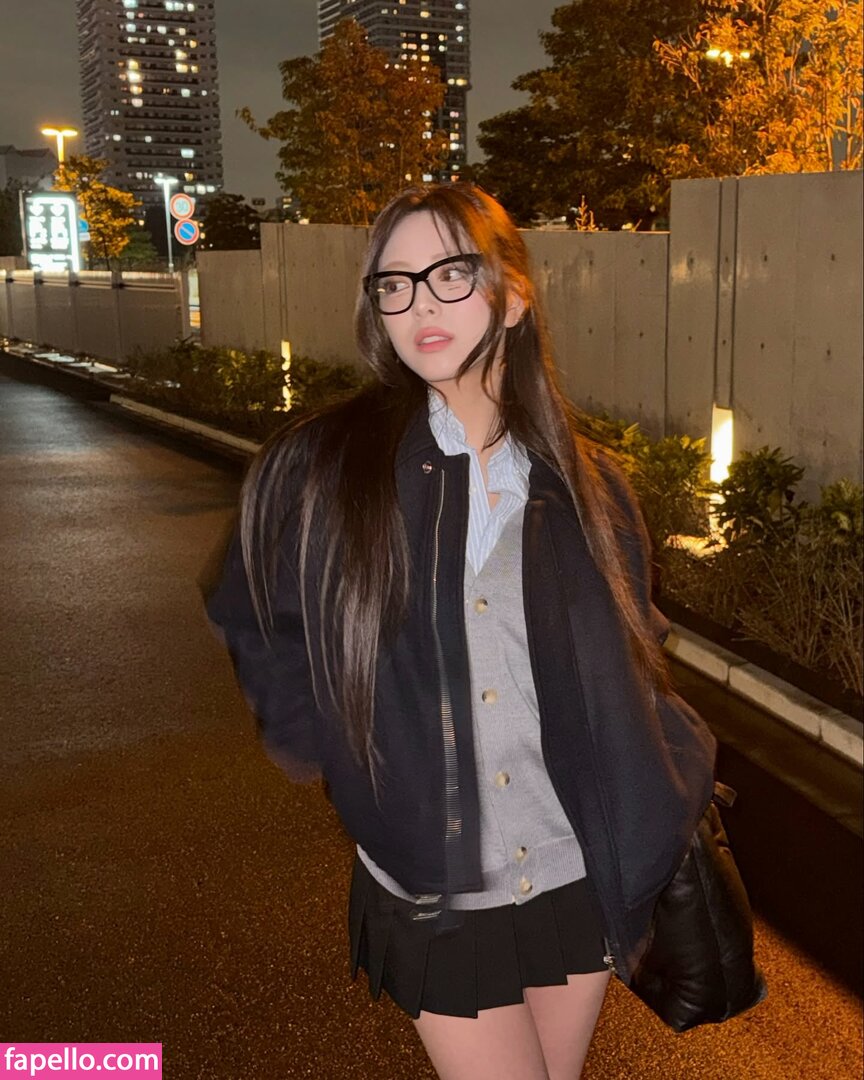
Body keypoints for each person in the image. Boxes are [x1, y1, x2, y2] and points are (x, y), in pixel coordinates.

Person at [205, 183, 716, 1080]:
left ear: (512, 297)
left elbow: (638, 647)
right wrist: (345, 754)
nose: (419, 303)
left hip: (572, 862)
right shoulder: (326, 465)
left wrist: (664, 777)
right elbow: (248, 606)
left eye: (450, 273)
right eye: (394, 283)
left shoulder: (583, 482)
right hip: (436, 883)